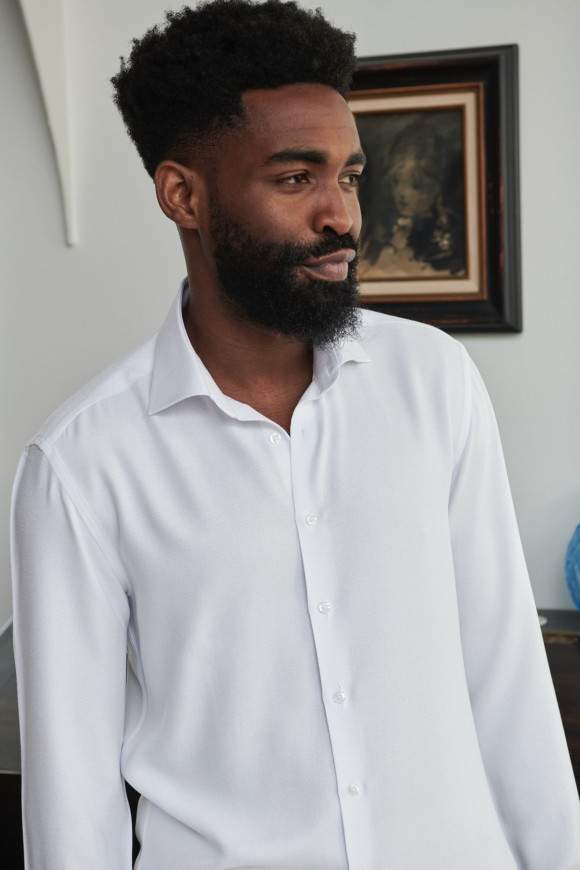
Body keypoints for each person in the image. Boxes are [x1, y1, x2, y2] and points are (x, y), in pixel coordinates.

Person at [9, 2, 580, 868]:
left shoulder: (434, 383)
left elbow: (507, 683)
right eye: (294, 178)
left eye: (348, 176)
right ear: (183, 195)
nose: (340, 216)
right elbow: (71, 797)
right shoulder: (81, 465)